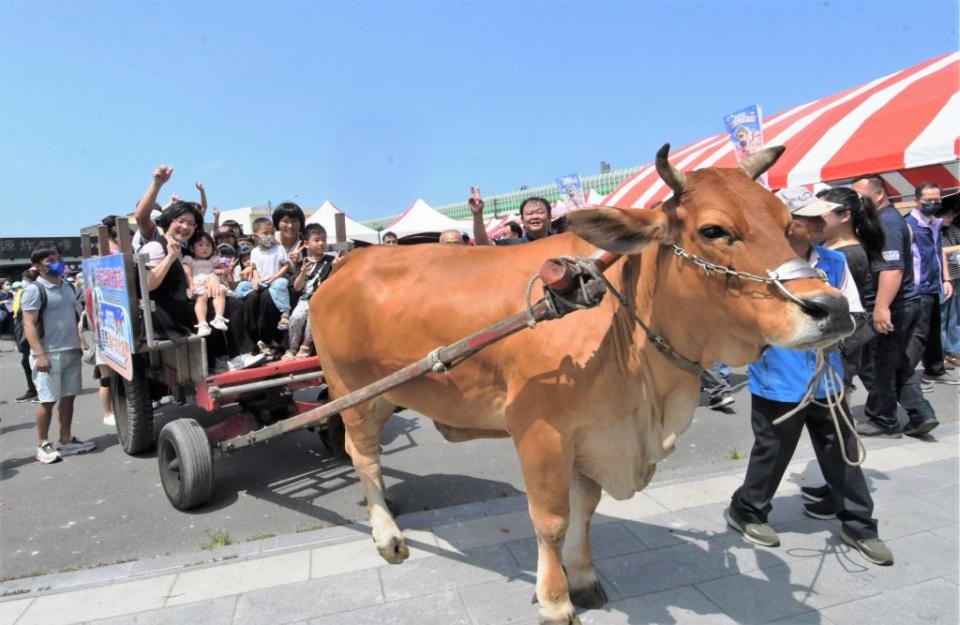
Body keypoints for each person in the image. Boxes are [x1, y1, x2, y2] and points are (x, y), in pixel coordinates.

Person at [725, 188, 892, 567]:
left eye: (822, 218)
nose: (820, 224)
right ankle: (747, 510)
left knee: (843, 451)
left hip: (827, 377)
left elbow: (853, 310)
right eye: (810, 219)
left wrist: (840, 337)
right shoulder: (759, 267)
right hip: (778, 377)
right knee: (773, 450)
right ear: (786, 224)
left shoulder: (833, 261)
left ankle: (859, 523)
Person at [851, 175, 933, 437]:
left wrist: (881, 307)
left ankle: (883, 419)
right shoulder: (882, 220)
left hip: (895, 305)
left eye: (861, 197)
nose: (856, 203)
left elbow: (892, 269)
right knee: (897, 362)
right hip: (902, 304)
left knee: (879, 364)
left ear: (879, 195)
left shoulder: (886, 222)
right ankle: (920, 413)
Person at [21, 245, 96, 464]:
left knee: (68, 396)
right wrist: (40, 354)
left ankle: (66, 439)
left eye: (57, 257)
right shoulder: (35, 290)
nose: (56, 262)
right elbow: (28, 324)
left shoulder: (69, 287)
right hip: (47, 354)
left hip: (70, 350)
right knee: (47, 400)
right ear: (37, 266)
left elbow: (79, 316)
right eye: (49, 260)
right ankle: (43, 444)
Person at [819, 187, 886, 393]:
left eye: (821, 212)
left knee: (837, 396)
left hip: (841, 339)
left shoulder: (849, 255)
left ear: (845, 216)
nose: (816, 218)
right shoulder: (831, 247)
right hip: (836, 337)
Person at [904, 183, 958, 387]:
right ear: (917, 200)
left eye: (936, 200)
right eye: (928, 201)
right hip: (917, 288)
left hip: (934, 285)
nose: (933, 204)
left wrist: (946, 279)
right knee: (918, 334)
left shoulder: (935, 223)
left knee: (934, 330)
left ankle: (934, 370)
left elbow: (939, 253)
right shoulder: (908, 224)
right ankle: (906, 378)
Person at [282, 224, 335, 360]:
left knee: (313, 319)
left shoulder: (330, 261)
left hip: (320, 299)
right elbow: (297, 287)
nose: (321, 243)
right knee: (296, 318)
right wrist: (302, 272)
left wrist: (336, 267)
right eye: (317, 240)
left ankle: (306, 344)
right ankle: (292, 348)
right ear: (306, 244)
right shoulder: (303, 262)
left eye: (324, 239)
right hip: (304, 298)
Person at [245, 217, 292, 330]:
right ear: (255, 236)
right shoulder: (254, 252)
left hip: (275, 280)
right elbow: (254, 268)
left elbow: (286, 265)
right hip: (261, 281)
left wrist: (275, 276)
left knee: (281, 283)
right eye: (265, 233)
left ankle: (285, 313)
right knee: (242, 287)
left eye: (272, 233)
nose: (269, 236)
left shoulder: (279, 248)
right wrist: (256, 280)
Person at [182, 231, 229, 337]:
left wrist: (222, 270)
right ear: (192, 248)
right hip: (198, 284)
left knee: (220, 291)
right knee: (201, 297)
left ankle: (219, 317)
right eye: (201, 245)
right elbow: (188, 275)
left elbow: (224, 270)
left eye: (208, 245)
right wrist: (190, 285)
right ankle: (202, 323)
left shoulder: (214, 260)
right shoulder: (189, 260)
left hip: (212, 284)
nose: (205, 248)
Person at [470, 187, 552, 246]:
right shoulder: (512, 245)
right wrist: (477, 215)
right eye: (529, 213)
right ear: (522, 220)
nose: (534, 216)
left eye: (539, 212)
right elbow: (483, 244)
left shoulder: (560, 242)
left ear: (549, 216)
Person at [939, 197, 960, 366]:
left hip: (955, 276)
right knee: (942, 316)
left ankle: (954, 350)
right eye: (948, 216)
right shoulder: (933, 231)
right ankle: (940, 353)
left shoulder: (952, 230)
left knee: (954, 317)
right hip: (940, 279)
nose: (951, 219)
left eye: (952, 216)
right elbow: (939, 251)